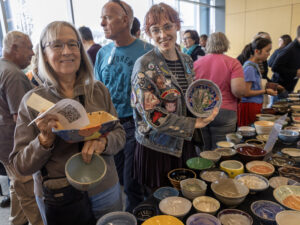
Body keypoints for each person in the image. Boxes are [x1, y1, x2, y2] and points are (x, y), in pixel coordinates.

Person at [10, 21, 126, 224]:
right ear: (44, 53)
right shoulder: (32, 101)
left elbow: (119, 133)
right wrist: (44, 141)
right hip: (60, 194)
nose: (67, 51)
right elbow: (20, 165)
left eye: (73, 44)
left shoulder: (98, 90)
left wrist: (104, 143)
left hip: (104, 187)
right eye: (57, 45)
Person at [131, 3, 218, 190]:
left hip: (182, 143)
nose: (163, 35)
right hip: (157, 147)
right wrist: (193, 124)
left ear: (177, 26)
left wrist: (204, 108)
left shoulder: (186, 59)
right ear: (149, 33)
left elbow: (189, 96)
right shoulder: (144, 64)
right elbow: (151, 114)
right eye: (155, 30)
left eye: (168, 27)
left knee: (183, 195)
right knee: (161, 202)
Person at [94, 0, 153, 213]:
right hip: (108, 126)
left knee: (132, 184)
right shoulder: (102, 53)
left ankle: (135, 216)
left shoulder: (148, 52)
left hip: (135, 125)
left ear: (125, 19)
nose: (102, 23)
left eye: (107, 17)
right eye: (102, 17)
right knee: (117, 180)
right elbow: (97, 90)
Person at [0, 31, 42, 225]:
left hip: (3, 142)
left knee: (15, 184)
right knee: (28, 190)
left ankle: (16, 221)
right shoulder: (14, 74)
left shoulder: (2, 67)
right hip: (12, 144)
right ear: (14, 48)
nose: (32, 53)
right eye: (29, 47)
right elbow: (20, 119)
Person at [194, 32, 245, 150]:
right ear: (226, 44)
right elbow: (238, 90)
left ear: (208, 44)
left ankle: (204, 168)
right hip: (226, 110)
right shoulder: (233, 63)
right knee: (222, 150)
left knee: (203, 150)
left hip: (201, 110)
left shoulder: (196, 64)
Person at [237, 37, 277, 126]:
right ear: (256, 51)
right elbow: (246, 92)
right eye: (267, 51)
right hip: (249, 106)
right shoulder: (249, 68)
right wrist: (265, 91)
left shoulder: (254, 65)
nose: (269, 54)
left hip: (254, 104)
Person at [271, 26, 300, 94]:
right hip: (280, 88)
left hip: (289, 87)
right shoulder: (290, 49)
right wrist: (295, 72)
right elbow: (275, 67)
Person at [267, 34, 292, 105]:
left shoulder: (278, 51)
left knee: (274, 105)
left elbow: (269, 63)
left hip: (278, 82)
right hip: (289, 83)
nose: (278, 43)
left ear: (283, 42)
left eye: (279, 41)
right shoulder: (293, 53)